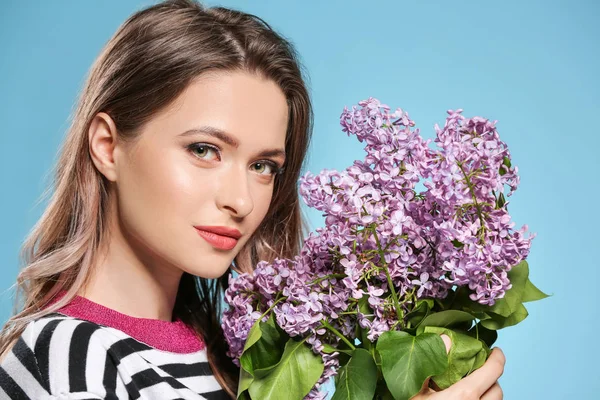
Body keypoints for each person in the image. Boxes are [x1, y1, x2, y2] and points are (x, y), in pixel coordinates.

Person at [0, 0, 505, 399]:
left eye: (264, 166)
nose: (241, 200)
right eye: (204, 150)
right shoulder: (69, 358)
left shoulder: (230, 359)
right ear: (108, 147)